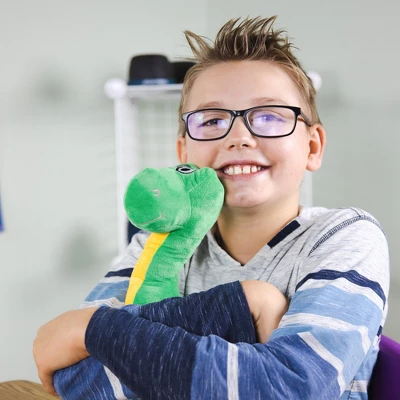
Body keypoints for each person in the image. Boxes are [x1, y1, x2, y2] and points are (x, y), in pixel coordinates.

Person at [33, 16, 390, 400]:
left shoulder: (346, 237)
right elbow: (75, 381)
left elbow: (287, 389)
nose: (239, 137)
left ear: (313, 147)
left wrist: (93, 330)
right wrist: (249, 304)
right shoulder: (155, 243)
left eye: (268, 116)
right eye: (212, 120)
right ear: (184, 152)